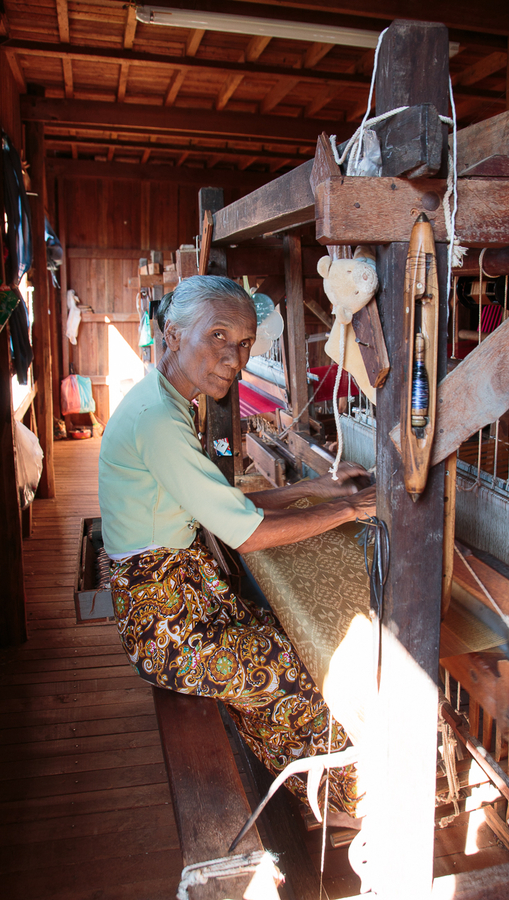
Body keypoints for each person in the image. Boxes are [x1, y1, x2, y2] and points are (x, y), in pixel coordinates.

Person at [99, 275, 376, 821]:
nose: (234, 357)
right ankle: (352, 798)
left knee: (274, 638)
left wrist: (320, 487)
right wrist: (347, 509)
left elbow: (222, 501)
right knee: (276, 661)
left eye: (245, 343)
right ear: (173, 334)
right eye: (218, 335)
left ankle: (326, 781)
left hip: (176, 588)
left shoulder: (169, 399)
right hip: (162, 622)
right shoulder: (159, 421)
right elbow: (244, 531)